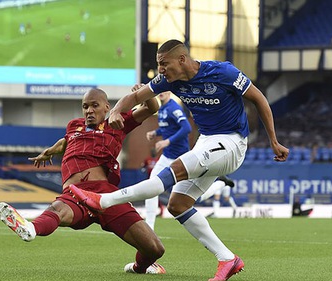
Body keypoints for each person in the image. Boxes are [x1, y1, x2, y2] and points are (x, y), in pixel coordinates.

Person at [69, 39, 289, 281]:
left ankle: (104, 201)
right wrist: (115, 111)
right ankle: (228, 259)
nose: (160, 70)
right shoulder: (167, 81)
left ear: (182, 60)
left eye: (164, 64)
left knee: (167, 175)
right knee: (177, 205)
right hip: (207, 141)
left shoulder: (222, 72)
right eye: (158, 64)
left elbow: (259, 99)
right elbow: (134, 98)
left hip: (232, 142)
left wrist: (273, 141)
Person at [0, 88, 167, 274]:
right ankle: (30, 228)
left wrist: (145, 92)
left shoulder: (117, 121)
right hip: (75, 192)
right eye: (85, 106)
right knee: (57, 210)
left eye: (95, 105)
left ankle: (138, 267)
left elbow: (151, 108)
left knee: (155, 249)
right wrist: (51, 150)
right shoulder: (74, 125)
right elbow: (66, 140)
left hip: (105, 195)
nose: (89, 111)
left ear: (107, 107)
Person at [143, 90, 191, 230]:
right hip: (166, 156)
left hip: (180, 158)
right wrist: (155, 133)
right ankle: (149, 226)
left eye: (165, 90)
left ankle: (220, 184)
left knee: (191, 196)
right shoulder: (162, 108)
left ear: (170, 92)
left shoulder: (174, 107)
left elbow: (186, 128)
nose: (161, 92)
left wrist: (167, 142)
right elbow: (167, 127)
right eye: (160, 90)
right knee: (151, 185)